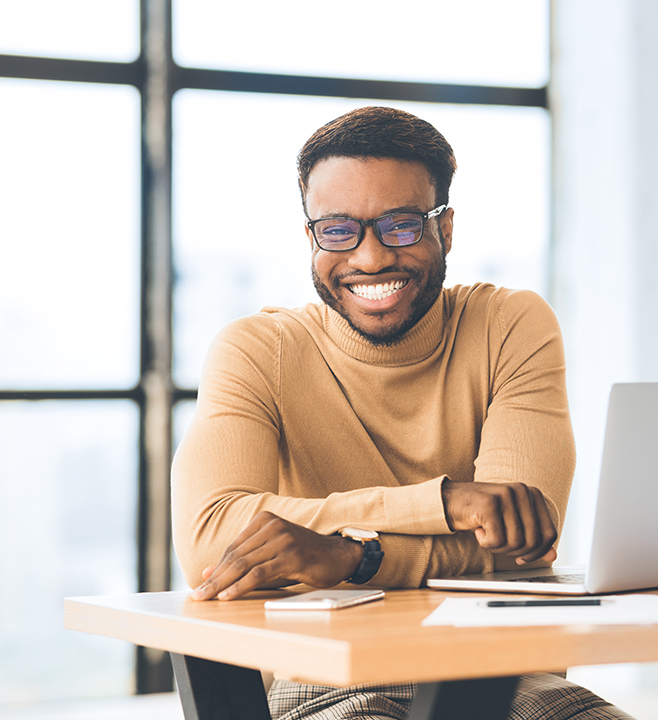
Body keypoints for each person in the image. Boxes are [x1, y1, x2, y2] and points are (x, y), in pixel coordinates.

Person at [171, 106, 633, 720]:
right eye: (338, 229)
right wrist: (446, 505)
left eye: (401, 225)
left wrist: (350, 557)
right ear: (310, 236)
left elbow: (519, 544)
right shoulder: (258, 350)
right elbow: (211, 540)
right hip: (326, 674)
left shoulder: (510, 326)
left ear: (445, 229)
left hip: (501, 670)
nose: (369, 258)